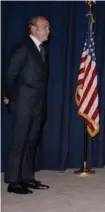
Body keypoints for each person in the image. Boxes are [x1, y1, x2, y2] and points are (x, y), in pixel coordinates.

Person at [4, 16, 51, 195]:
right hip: (23, 104)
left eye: (48, 27)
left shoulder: (41, 49)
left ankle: (27, 177)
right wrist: (11, 97)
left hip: (38, 105)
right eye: (44, 27)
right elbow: (9, 76)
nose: (48, 30)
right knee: (19, 142)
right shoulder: (23, 48)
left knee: (31, 142)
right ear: (33, 29)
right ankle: (13, 181)